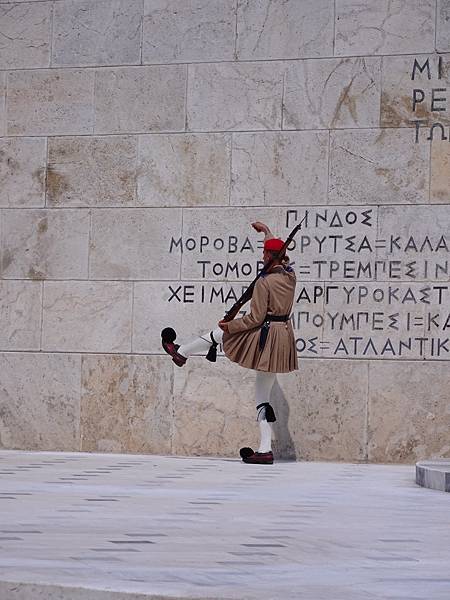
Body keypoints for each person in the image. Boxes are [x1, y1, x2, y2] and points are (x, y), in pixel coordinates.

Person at [161, 221, 298, 464]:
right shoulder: (289, 276)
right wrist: (267, 233)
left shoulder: (264, 283)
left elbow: (255, 318)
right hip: (283, 337)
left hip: (265, 336)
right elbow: (280, 253)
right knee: (262, 394)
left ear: (269, 255)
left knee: (222, 334)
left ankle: (182, 352)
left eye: (265, 252)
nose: (262, 254)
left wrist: (230, 325)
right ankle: (181, 351)